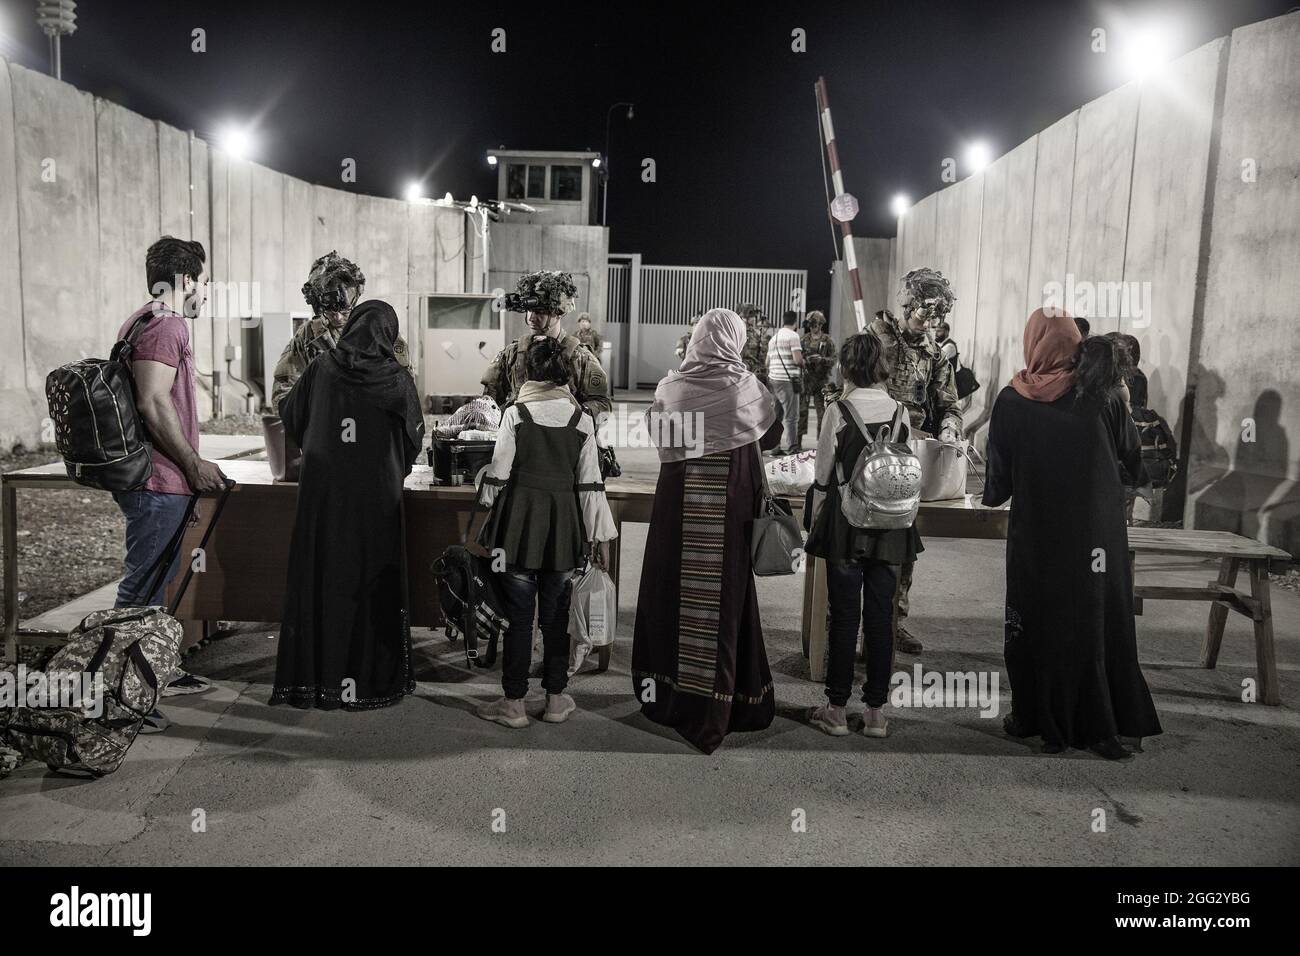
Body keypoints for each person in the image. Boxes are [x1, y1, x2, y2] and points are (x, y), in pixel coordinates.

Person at [983, 309, 1162, 760]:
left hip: (1038, 535)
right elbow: (1134, 462)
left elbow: (997, 485)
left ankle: (1039, 718)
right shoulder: (1103, 396)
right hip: (1098, 535)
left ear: (1035, 343)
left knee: (1039, 617)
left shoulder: (1012, 399)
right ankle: (1105, 721)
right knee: (1100, 616)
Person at [631, 308, 782, 754]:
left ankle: (672, 695)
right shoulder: (749, 388)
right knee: (724, 598)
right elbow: (771, 437)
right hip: (730, 509)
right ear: (734, 341)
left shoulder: (671, 387)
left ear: (696, 338)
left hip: (679, 510)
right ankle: (727, 702)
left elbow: (656, 433)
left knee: (675, 593)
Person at [269, 300, 425, 710]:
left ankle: (316, 683)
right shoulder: (397, 378)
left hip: (324, 497)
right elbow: (414, 438)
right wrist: (391, 467)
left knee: (325, 578)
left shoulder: (321, 368)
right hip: (377, 501)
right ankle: (374, 680)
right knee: (372, 585)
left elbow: (291, 415)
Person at [474, 337, 617, 728]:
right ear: (566, 376)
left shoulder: (516, 414)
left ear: (530, 372)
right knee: (556, 618)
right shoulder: (581, 420)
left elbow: (498, 475)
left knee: (519, 619)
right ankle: (555, 700)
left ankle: (514, 704)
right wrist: (599, 535)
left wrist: (483, 492)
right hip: (563, 526)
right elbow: (590, 485)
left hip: (519, 525)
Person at [116, 236, 228, 728]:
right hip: (158, 480)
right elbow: (153, 402)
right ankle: (118, 698)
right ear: (186, 281)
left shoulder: (142, 319)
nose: (203, 291)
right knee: (140, 589)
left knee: (157, 583)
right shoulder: (166, 325)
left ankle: (154, 671)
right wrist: (192, 465)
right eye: (201, 282)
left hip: (162, 481)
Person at [805, 332, 923, 738]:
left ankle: (836, 709)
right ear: (881, 367)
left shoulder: (838, 410)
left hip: (847, 523)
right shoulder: (900, 411)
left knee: (843, 616)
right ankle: (875, 713)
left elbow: (822, 474)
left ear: (846, 366)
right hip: (891, 526)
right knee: (880, 618)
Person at [868, 267, 962, 655]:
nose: (930, 321)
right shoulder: (872, 340)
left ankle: (893, 622)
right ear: (907, 304)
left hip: (911, 457)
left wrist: (951, 429)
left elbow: (949, 403)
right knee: (860, 543)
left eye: (937, 315)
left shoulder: (934, 353)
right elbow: (839, 393)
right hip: (869, 452)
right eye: (924, 311)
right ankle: (847, 625)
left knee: (902, 545)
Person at [268, 251, 410, 414]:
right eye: (329, 310)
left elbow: (404, 383)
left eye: (344, 310)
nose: (337, 316)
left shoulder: (378, 330)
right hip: (324, 426)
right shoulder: (309, 336)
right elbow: (284, 389)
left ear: (355, 299)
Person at [482, 271, 611, 422]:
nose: (531, 317)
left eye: (540, 312)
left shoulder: (581, 358)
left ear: (559, 312)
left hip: (564, 440)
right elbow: (490, 401)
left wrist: (577, 415)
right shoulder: (512, 355)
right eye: (529, 310)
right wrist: (508, 412)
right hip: (520, 439)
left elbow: (602, 404)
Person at [766, 311, 805, 455]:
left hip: (774, 380)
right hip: (788, 381)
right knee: (792, 416)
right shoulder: (793, 336)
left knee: (777, 416)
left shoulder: (774, 338)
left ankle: (774, 448)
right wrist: (804, 362)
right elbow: (797, 360)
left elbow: (767, 362)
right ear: (795, 322)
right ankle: (792, 448)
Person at [799, 310, 837, 442]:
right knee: (802, 411)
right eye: (812, 325)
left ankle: (821, 442)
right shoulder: (803, 340)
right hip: (807, 379)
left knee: (822, 413)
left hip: (821, 380)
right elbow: (798, 358)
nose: (814, 327)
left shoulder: (828, 340)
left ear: (821, 325)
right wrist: (806, 360)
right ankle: (797, 443)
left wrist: (821, 360)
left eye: (816, 325)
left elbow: (833, 360)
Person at [738, 302, 770, 384]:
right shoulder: (737, 332)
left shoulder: (756, 333)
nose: (754, 319)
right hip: (742, 371)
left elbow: (763, 352)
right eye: (752, 317)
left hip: (754, 371)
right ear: (745, 317)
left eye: (754, 317)